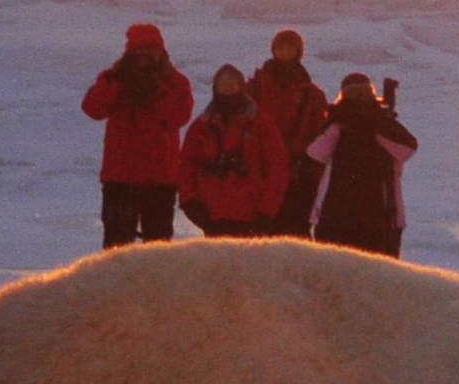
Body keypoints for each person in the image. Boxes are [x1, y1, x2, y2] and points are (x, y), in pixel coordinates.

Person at [82, 22, 194, 248]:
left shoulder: (174, 81)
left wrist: (157, 89)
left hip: (159, 178)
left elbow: (180, 117)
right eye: (138, 51)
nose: (143, 57)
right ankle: (117, 284)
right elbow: (93, 109)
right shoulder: (115, 78)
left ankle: (154, 285)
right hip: (121, 178)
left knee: (158, 248)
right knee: (117, 247)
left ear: (161, 52)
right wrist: (115, 79)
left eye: (149, 50)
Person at [308, 73, 417, 257]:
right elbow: (315, 152)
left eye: (363, 92)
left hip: (380, 214)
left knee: (377, 277)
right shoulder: (338, 124)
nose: (358, 97)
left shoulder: (381, 122)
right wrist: (339, 122)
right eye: (353, 93)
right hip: (337, 214)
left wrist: (374, 123)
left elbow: (407, 148)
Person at [178, 63, 290, 236]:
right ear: (216, 88)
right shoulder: (201, 127)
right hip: (212, 218)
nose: (228, 89)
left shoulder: (261, 123)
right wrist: (190, 203)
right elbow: (187, 167)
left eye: (233, 84)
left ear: (242, 87)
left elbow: (276, 168)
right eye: (224, 84)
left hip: (252, 218)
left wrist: (267, 212)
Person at [251, 29, 331, 238]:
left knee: (297, 232)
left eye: (289, 48)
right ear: (273, 50)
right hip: (261, 171)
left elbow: (320, 132)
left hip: (299, 175)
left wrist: (309, 164)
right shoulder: (255, 87)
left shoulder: (311, 94)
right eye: (280, 47)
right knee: (261, 232)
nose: (284, 52)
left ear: (298, 52)